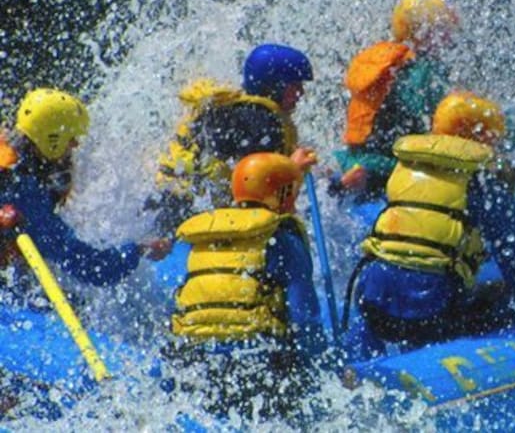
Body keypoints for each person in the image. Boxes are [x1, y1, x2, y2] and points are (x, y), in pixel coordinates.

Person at [343, 92, 515, 357]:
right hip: (430, 317)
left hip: (371, 304)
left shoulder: (406, 168)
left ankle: (357, 363)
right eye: (493, 138)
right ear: (478, 137)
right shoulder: (481, 182)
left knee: (391, 282)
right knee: (513, 299)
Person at [163, 152, 324, 421]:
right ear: (284, 196)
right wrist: (328, 368)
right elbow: (305, 318)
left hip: (194, 360)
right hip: (257, 363)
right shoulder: (282, 240)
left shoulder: (206, 239)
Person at [1, 88, 168, 294]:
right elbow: (91, 268)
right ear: (51, 139)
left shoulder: (14, 150)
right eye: (70, 138)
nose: (75, 144)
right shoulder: (25, 195)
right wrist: (139, 250)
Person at [147, 43, 317, 241]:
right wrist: (292, 168)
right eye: (294, 86)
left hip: (170, 206)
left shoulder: (243, 114)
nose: (301, 93)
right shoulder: (262, 124)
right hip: (186, 213)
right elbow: (257, 195)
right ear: (275, 86)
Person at [333, 0, 458, 197]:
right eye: (443, 29)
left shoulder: (384, 60)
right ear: (423, 32)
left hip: (357, 158)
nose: (449, 37)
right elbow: (436, 119)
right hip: (390, 165)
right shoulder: (422, 69)